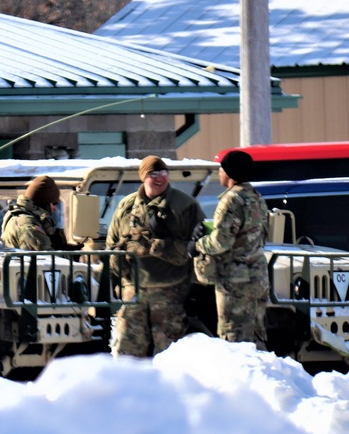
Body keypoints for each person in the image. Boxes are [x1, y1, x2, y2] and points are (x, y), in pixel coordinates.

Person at [106, 155, 206, 357]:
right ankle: (131, 389)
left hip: (170, 290)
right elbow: (112, 243)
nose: (160, 178)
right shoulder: (127, 206)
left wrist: (161, 243)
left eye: (163, 173)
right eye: (153, 174)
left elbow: (198, 246)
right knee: (127, 350)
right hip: (133, 291)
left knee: (169, 352)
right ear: (143, 177)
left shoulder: (185, 205)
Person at [189, 149, 269, 348]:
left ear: (230, 173)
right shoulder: (256, 197)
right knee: (256, 332)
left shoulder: (231, 200)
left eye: (221, 169)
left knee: (234, 336)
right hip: (258, 275)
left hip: (235, 280)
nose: (219, 173)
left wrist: (196, 245)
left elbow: (221, 242)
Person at [0, 175, 70, 250]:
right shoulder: (28, 224)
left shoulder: (23, 218)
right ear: (44, 204)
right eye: (54, 203)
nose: (55, 208)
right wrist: (70, 256)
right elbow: (46, 258)